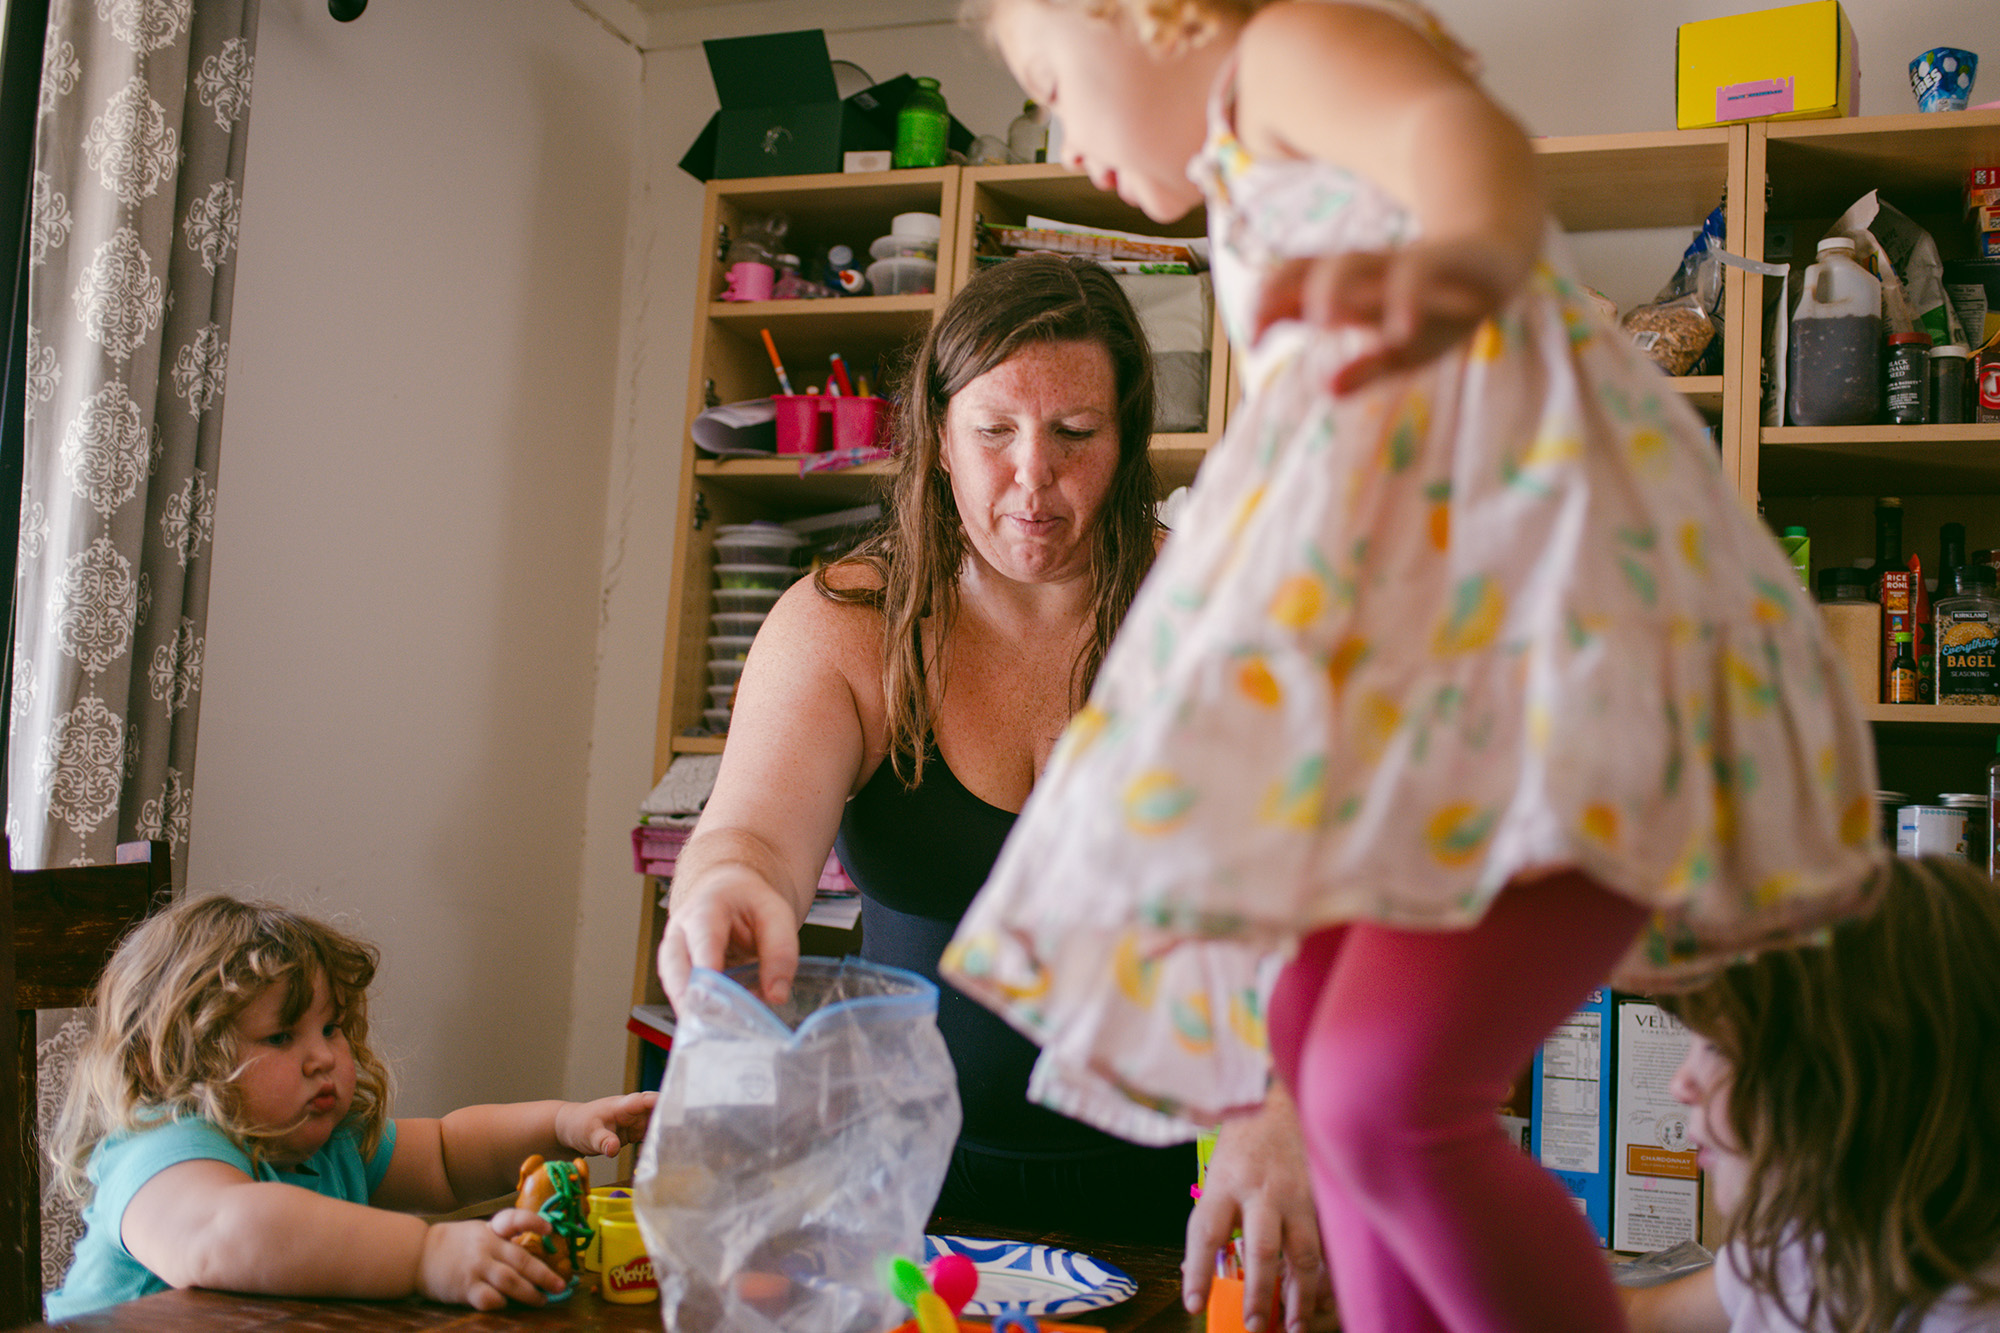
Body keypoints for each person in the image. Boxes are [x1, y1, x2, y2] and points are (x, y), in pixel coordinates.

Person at [938, 2, 1886, 1331]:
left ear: (1142, 14)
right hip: (1450, 693)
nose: (1059, 127)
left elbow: (1463, 139)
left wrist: (1453, 272)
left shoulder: (1281, 54)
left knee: (1387, 1101)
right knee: (1327, 1085)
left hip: (1547, 668)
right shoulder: (1246, 164)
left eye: (1050, 78)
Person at [659, 252, 1330, 1332]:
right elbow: (748, 838)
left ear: (1126, 438)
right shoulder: (844, 625)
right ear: (935, 434)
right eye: (994, 433)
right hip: (899, 1179)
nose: (1032, 479)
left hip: (1180, 1174)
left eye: (1074, 434)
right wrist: (724, 889)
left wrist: (1287, 1097)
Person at [45, 893, 656, 1318]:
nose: (322, 1058)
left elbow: (447, 1154)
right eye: (282, 1038)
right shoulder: (165, 1146)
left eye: (331, 1029)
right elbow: (225, 1232)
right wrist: (426, 1257)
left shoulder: (325, 1137)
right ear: (182, 1060)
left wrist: (562, 1124)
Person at [1625, 855, 2000, 1333]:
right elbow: (1634, 1317)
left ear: (1851, 1085)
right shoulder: (1809, 1244)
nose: (1681, 1084)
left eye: (1717, 1047)